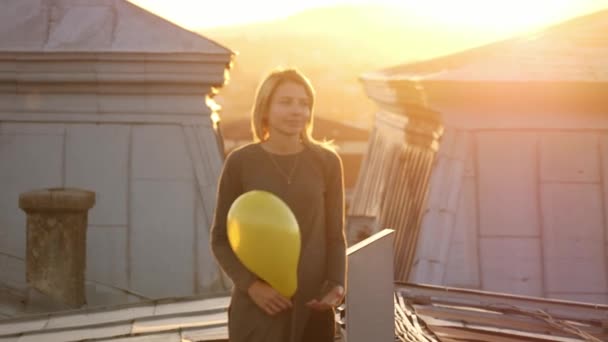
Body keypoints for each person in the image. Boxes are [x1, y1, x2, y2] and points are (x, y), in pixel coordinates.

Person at [210, 68, 347, 342]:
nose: (297, 110)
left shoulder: (327, 162)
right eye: (286, 102)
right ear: (265, 108)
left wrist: (337, 285)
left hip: (314, 308)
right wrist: (252, 287)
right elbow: (220, 240)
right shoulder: (240, 163)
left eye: (304, 103)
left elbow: (335, 235)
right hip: (258, 310)